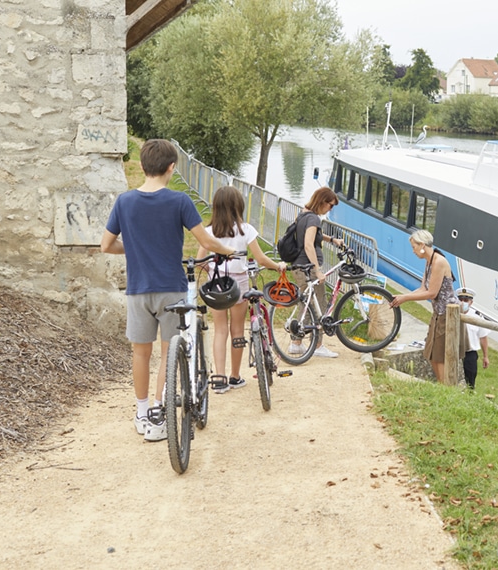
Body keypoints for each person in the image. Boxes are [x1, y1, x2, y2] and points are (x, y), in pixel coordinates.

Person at [101, 139, 236, 442]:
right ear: (171, 167)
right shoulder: (179, 201)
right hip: (171, 289)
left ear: (143, 164)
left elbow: (106, 245)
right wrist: (228, 250)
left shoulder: (124, 202)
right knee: (167, 353)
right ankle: (159, 413)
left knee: (140, 352)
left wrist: (134, 250)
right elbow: (207, 240)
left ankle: (140, 411)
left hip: (138, 290)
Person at [197, 186, 286, 393]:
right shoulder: (246, 230)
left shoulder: (208, 232)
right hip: (239, 285)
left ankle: (219, 378)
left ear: (216, 207)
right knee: (237, 330)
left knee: (220, 330)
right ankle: (235, 376)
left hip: (216, 285)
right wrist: (278, 266)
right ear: (238, 206)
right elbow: (261, 258)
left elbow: (201, 260)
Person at [390, 230, 468, 384]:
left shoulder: (439, 262)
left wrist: (405, 298)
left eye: (414, 247)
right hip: (438, 313)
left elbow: (431, 293)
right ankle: (441, 384)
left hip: (448, 314)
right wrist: (402, 297)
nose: (413, 251)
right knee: (431, 352)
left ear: (422, 245)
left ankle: (445, 386)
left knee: (440, 356)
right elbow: (422, 288)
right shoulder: (429, 261)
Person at [288, 186, 344, 358]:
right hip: (308, 269)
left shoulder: (304, 213)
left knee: (306, 304)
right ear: (322, 201)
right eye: (330, 205)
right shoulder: (313, 220)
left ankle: (297, 342)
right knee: (318, 304)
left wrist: (331, 239)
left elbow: (313, 235)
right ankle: (316, 345)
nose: (330, 209)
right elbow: (308, 244)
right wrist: (317, 270)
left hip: (299, 266)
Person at [456, 287, 490, 390]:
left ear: (471, 302)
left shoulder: (477, 317)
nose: (462, 302)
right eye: (460, 299)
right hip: (455, 352)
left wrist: (485, 356)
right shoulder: (452, 313)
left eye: (466, 300)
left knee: (470, 380)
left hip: (470, 353)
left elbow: (483, 337)